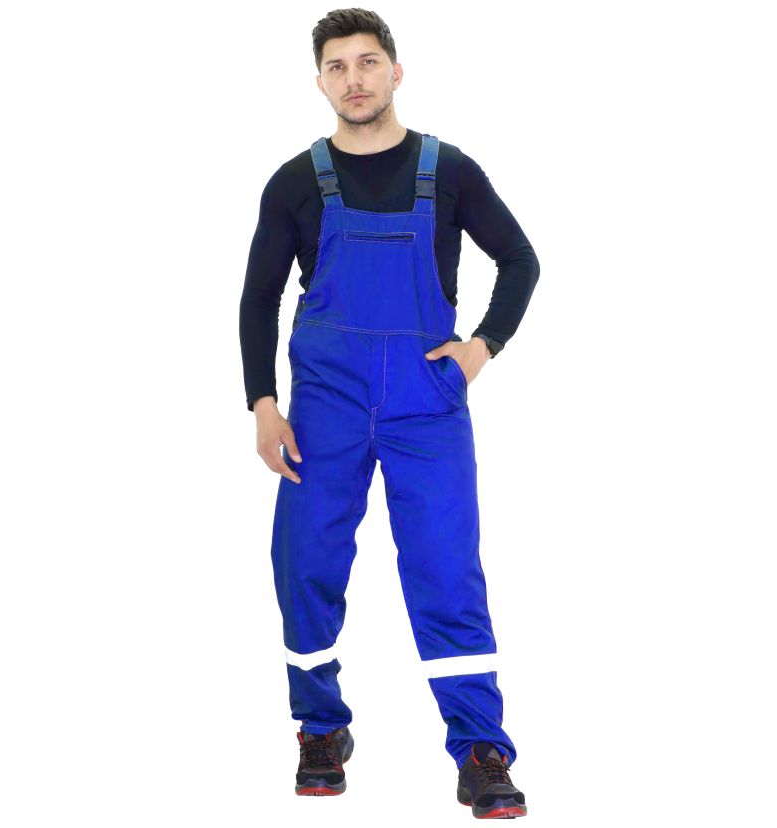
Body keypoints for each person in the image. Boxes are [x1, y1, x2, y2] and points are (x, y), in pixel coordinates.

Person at [239, 8, 539, 819]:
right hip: (325, 407)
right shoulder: (296, 182)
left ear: (395, 71)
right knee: (304, 561)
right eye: (338, 66)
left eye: (368, 62)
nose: (355, 79)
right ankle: (320, 728)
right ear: (320, 82)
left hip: (425, 404)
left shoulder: (450, 171)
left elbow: (520, 259)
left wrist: (480, 349)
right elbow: (259, 298)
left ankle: (480, 748)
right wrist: (263, 405)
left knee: (445, 569)